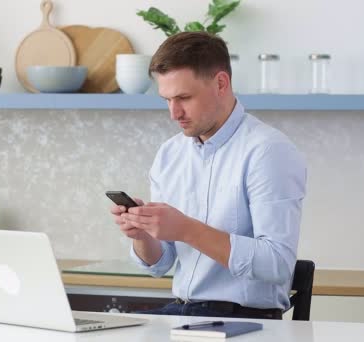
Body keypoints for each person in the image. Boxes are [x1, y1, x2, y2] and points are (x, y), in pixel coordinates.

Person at [110, 32, 307, 319]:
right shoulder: (170, 153)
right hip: (183, 316)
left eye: (184, 98)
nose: (174, 113)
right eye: (167, 100)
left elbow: (277, 264)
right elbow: (159, 264)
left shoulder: (268, 151)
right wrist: (142, 234)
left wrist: (186, 229)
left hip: (243, 321)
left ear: (221, 83)